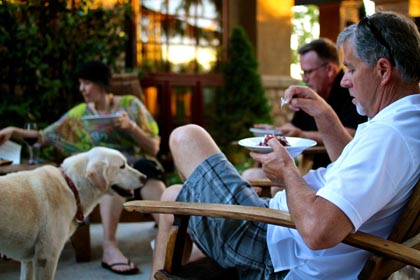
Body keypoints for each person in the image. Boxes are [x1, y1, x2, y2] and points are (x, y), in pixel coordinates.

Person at [150, 11, 420, 279]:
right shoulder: (406, 122)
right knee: (174, 194)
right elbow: (350, 169)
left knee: (186, 136)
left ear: (383, 70)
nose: (344, 80)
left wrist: (287, 170)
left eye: (351, 69)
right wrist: (323, 113)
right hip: (281, 233)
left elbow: (318, 230)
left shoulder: (389, 135)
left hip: (276, 251)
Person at [0, 61, 166, 275]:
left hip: (137, 162)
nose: (82, 89)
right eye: (81, 83)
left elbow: (153, 146)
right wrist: (13, 131)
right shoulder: (80, 114)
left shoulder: (130, 104)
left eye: (87, 83)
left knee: (154, 183)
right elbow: (44, 137)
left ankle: (169, 243)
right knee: (106, 182)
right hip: (104, 170)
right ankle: (110, 248)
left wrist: (131, 128)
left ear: (102, 84)